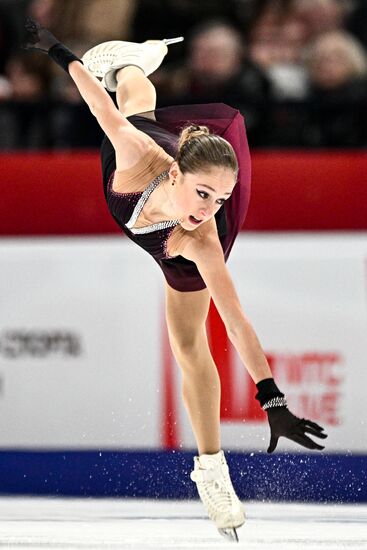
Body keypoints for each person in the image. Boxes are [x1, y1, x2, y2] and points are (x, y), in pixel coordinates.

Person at [24, 19, 328, 542]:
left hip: (174, 253)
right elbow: (92, 98)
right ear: (175, 176)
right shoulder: (137, 154)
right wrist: (55, 48)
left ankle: (211, 469)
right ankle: (133, 57)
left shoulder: (203, 240)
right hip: (139, 160)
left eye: (221, 200)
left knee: (190, 346)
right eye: (204, 194)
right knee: (129, 108)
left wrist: (272, 399)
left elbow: (235, 322)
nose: (208, 209)